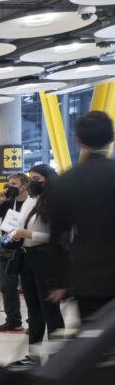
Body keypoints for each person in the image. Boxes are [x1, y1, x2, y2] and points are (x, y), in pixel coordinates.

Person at [48, 111, 115, 321]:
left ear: (77, 141)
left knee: (93, 344)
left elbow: (57, 237)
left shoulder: (64, 181)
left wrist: (61, 283)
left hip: (87, 279)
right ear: (112, 137)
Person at [8, 164, 64, 368]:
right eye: (31, 178)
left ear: (49, 179)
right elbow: (20, 226)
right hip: (27, 257)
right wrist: (14, 232)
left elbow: (61, 237)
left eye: (37, 178)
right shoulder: (29, 201)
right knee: (33, 310)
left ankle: (59, 358)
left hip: (46, 259)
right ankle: (34, 355)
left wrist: (30, 234)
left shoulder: (57, 203)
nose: (33, 182)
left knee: (50, 310)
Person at [0, 172, 30, 333]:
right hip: (7, 249)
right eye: (9, 184)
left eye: (14, 184)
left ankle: (34, 321)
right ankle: (13, 321)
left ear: (24, 186)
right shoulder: (8, 203)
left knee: (30, 287)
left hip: (28, 248)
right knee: (6, 286)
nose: (10, 187)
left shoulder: (33, 203)